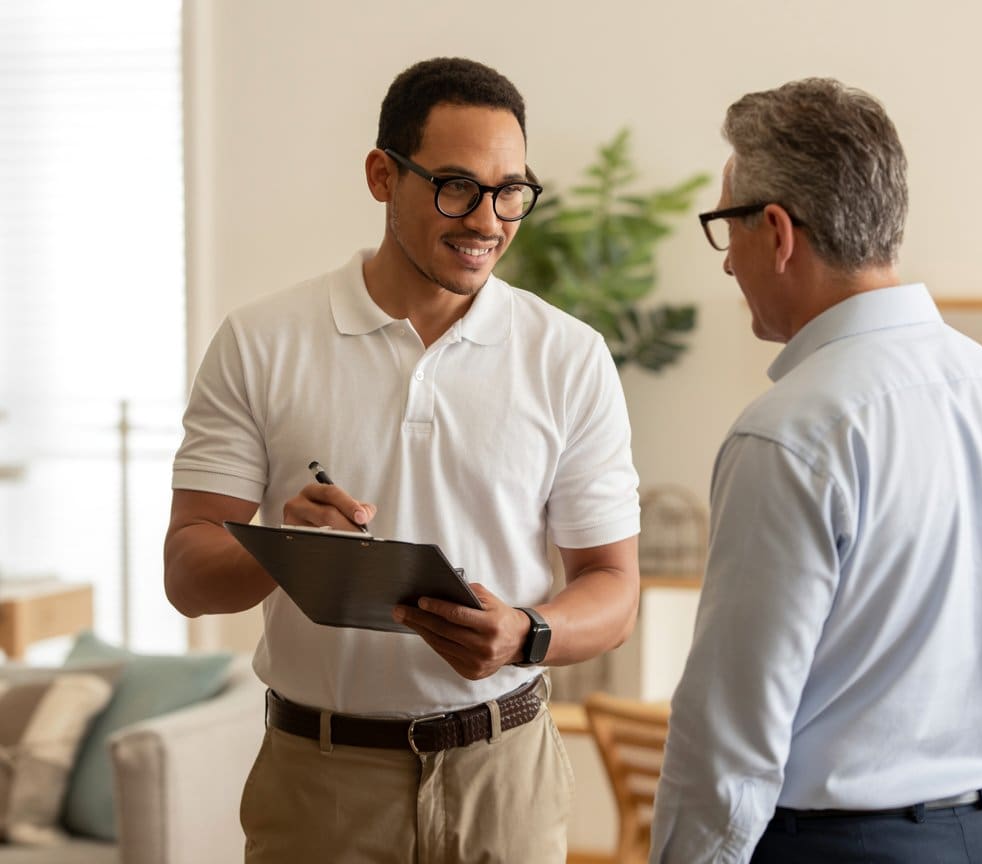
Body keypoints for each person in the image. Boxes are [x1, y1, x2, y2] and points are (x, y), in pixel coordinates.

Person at [164, 56, 641, 864]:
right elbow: (187, 573)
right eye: (456, 186)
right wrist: (285, 551)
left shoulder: (570, 357)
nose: (487, 220)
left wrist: (526, 634)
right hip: (319, 786)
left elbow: (614, 585)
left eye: (510, 191)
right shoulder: (261, 342)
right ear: (383, 175)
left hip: (504, 777)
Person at [649, 78, 982, 863]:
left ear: (775, 231)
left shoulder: (789, 434)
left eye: (724, 227)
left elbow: (730, 741)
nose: (729, 265)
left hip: (841, 848)